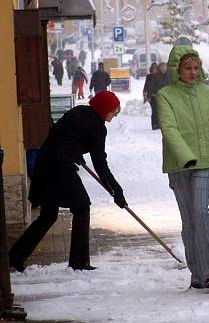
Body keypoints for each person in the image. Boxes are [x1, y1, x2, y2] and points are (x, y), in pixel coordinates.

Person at [9, 91, 127, 272]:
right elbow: (100, 164)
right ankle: (79, 263)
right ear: (104, 109)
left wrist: (75, 152)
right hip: (60, 167)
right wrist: (116, 191)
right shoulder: (97, 127)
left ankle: (14, 257)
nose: (115, 114)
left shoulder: (78, 112)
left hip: (45, 162)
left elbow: (60, 135)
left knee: (48, 215)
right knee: (82, 206)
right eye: (114, 110)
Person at [155, 46, 209, 290]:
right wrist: (185, 156)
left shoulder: (206, 94)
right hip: (178, 165)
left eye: (195, 67)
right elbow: (169, 129)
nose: (192, 72)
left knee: (200, 212)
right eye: (187, 68)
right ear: (176, 69)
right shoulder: (165, 95)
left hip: (205, 161)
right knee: (189, 219)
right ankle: (197, 273)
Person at [143, 62, 169, 130]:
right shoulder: (154, 76)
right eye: (162, 68)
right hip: (154, 96)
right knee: (155, 111)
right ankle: (155, 125)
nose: (163, 69)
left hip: (165, 97)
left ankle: (161, 124)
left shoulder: (168, 76)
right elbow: (149, 87)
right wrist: (148, 96)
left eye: (164, 67)